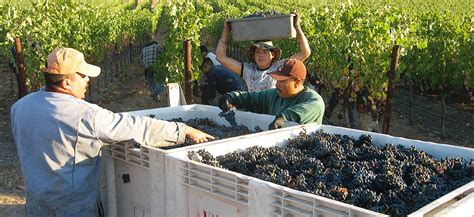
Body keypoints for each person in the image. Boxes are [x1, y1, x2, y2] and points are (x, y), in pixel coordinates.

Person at [10, 47, 214, 216]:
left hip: (37, 207)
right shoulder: (85, 115)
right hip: (72, 209)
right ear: (67, 82)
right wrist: (184, 130)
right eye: (83, 76)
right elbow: (135, 126)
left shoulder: (20, 107)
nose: (88, 80)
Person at [218, 58, 325, 129]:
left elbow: (308, 109)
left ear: (297, 83)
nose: (277, 84)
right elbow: (250, 98)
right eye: (277, 80)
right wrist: (231, 97)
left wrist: (283, 119)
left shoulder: (313, 100)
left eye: (282, 81)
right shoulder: (274, 94)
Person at [216, 13, 311, 92]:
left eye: (265, 52)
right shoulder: (248, 70)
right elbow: (220, 57)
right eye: (257, 52)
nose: (261, 55)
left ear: (273, 54)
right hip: (255, 112)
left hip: (272, 111)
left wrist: (297, 28)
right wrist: (226, 31)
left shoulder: (280, 67)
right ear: (253, 55)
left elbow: (305, 53)